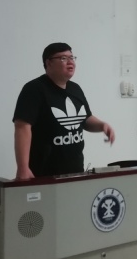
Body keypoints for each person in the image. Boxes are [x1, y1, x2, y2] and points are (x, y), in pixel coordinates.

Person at [13, 43, 115, 180]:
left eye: (72, 57)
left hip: (75, 171)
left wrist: (102, 125)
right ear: (48, 63)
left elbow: (85, 118)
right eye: (63, 58)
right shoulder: (34, 89)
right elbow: (22, 127)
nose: (70, 62)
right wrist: (23, 167)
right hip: (44, 173)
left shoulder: (75, 89)